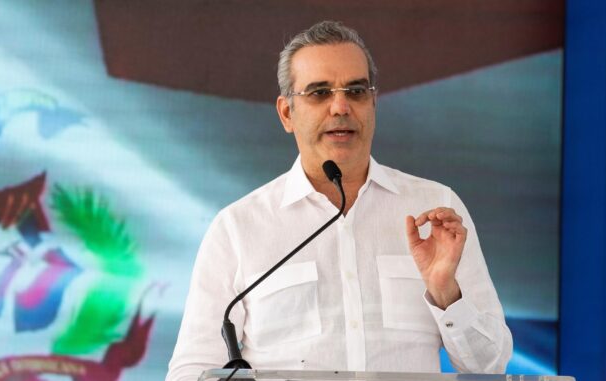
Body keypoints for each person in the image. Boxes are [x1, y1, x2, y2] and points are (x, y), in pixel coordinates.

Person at [166, 21, 512, 380]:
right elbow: (191, 370)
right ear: (287, 113)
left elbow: (490, 367)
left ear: (373, 103)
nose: (341, 106)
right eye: (319, 93)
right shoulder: (238, 228)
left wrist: (446, 293)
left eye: (357, 91)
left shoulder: (436, 209)